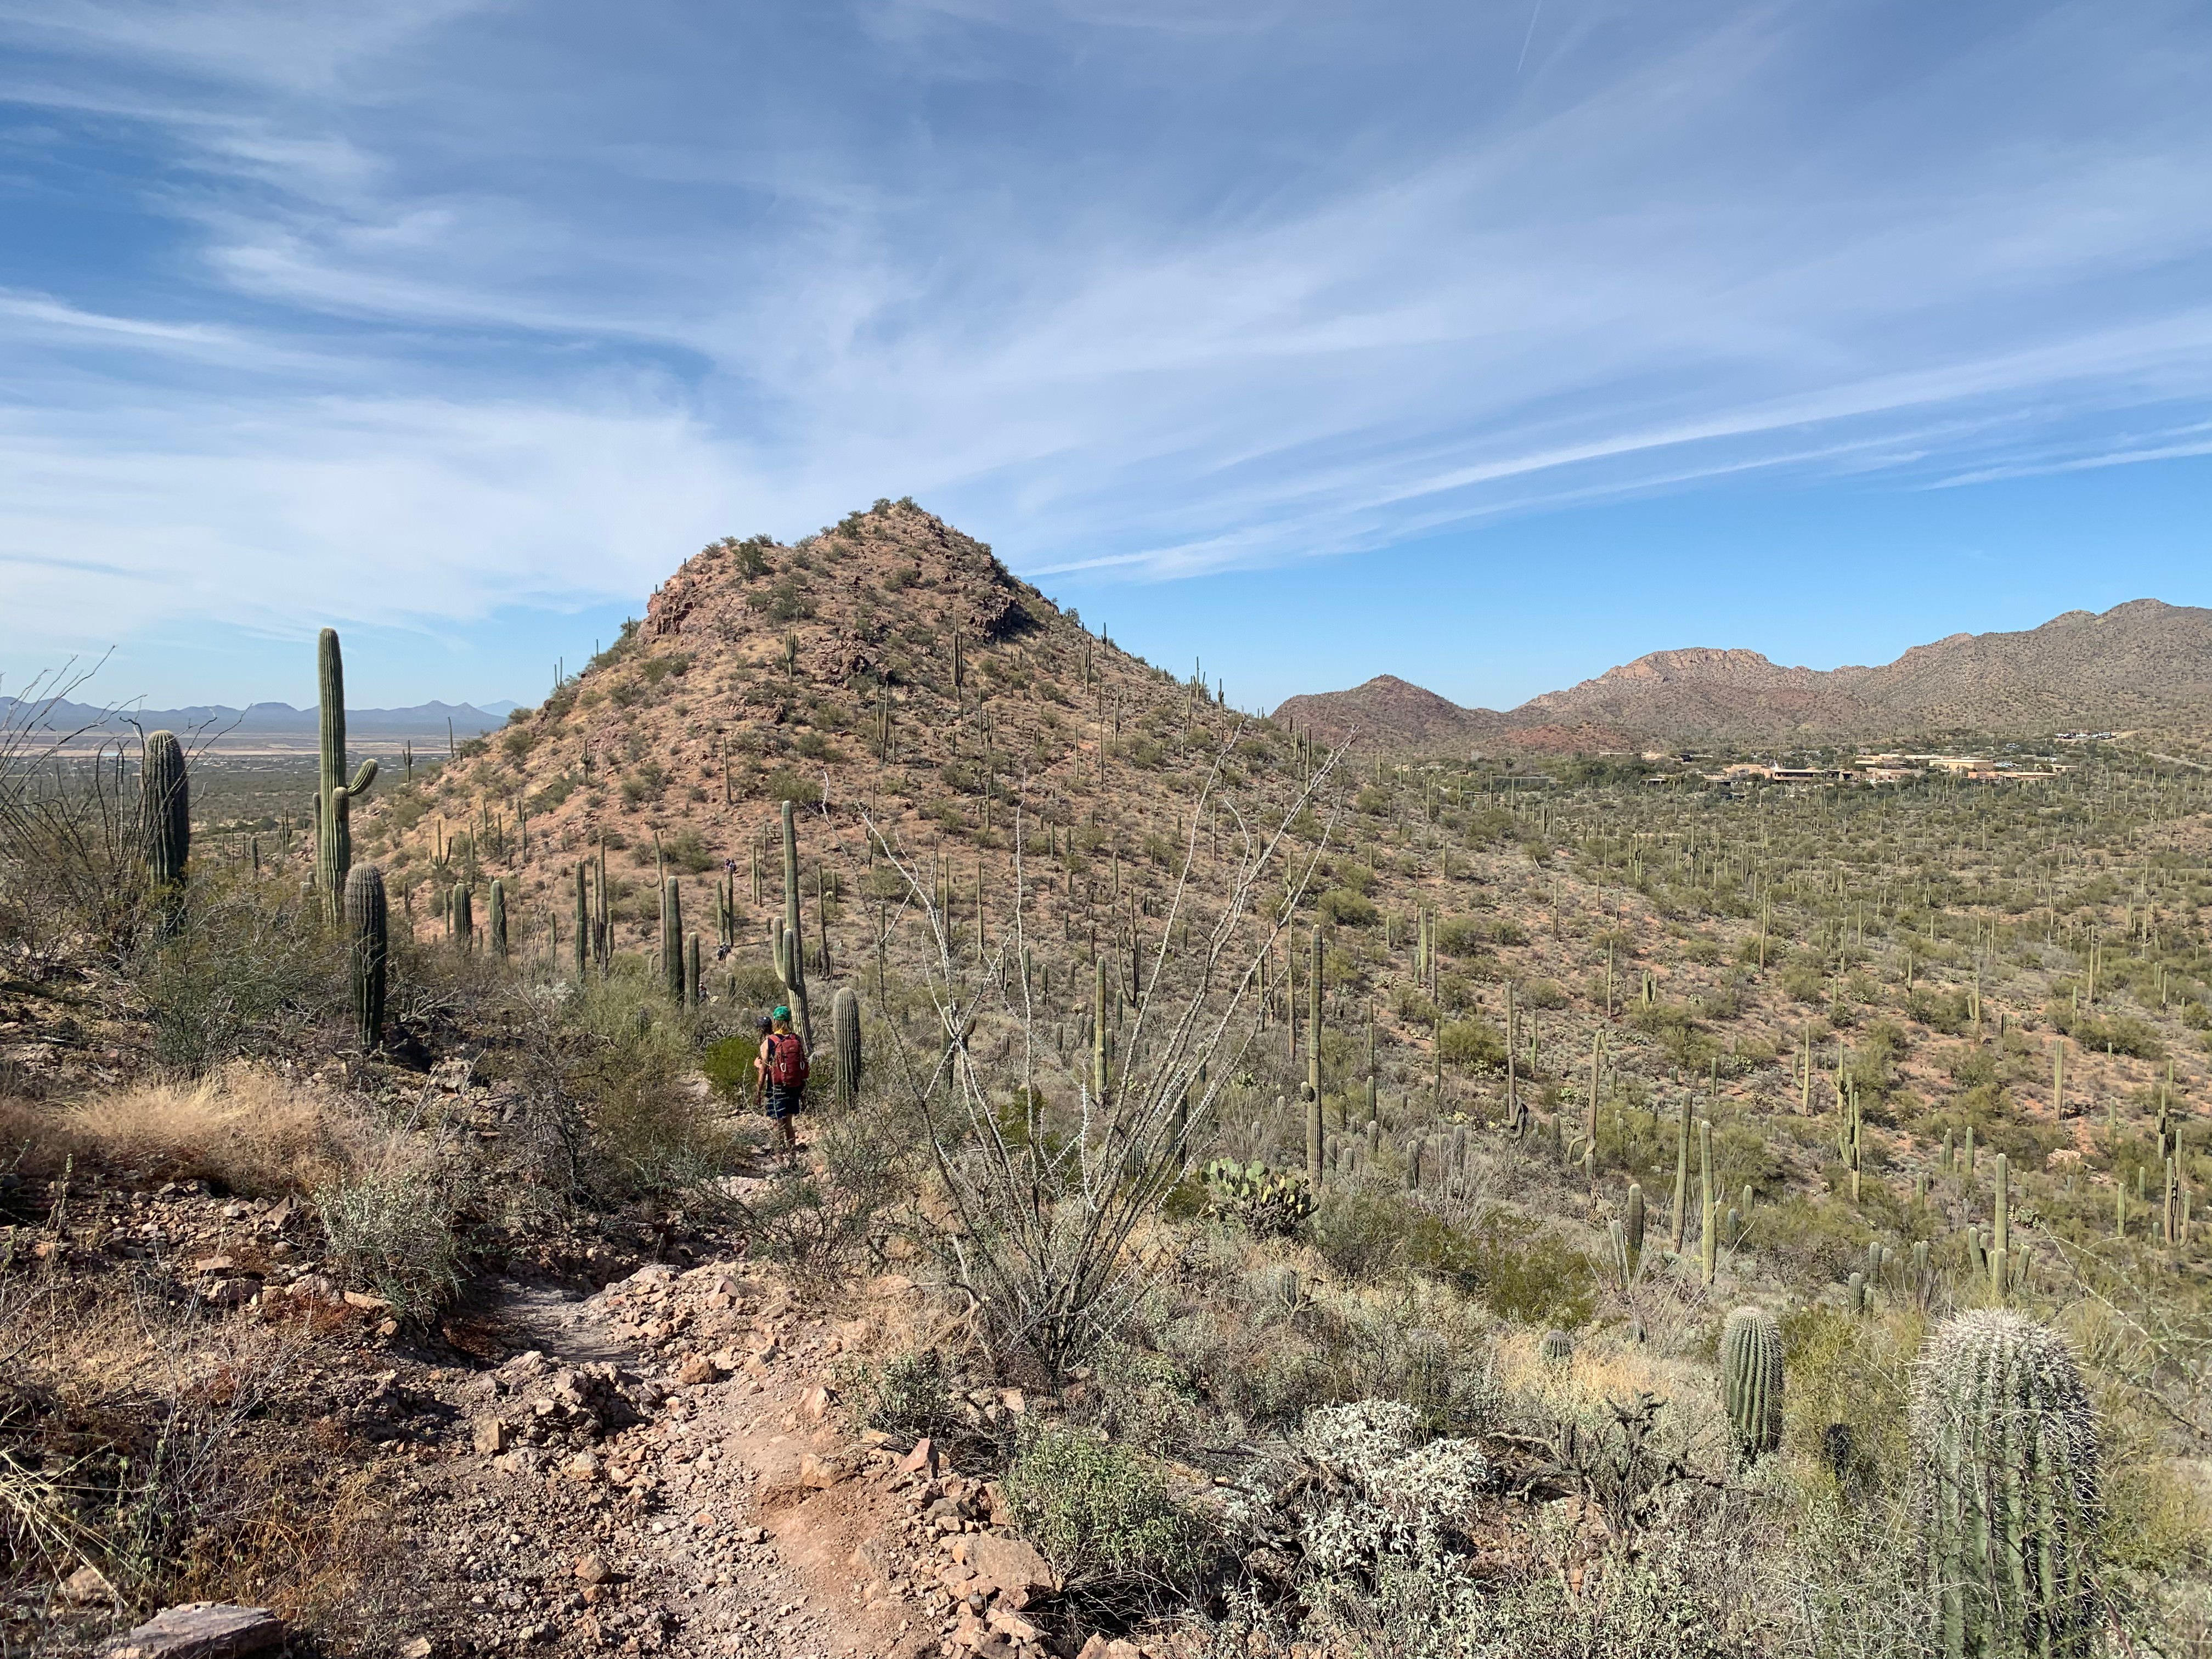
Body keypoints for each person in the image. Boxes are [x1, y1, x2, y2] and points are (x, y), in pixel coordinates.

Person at [754, 1005, 809, 1160]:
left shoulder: (769, 1042)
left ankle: (779, 1158)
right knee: (789, 1124)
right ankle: (793, 1157)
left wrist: (758, 1093)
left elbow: (763, 1070)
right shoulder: (796, 1039)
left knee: (778, 1124)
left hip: (777, 1088)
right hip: (794, 1087)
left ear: (775, 1022)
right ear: (789, 1020)